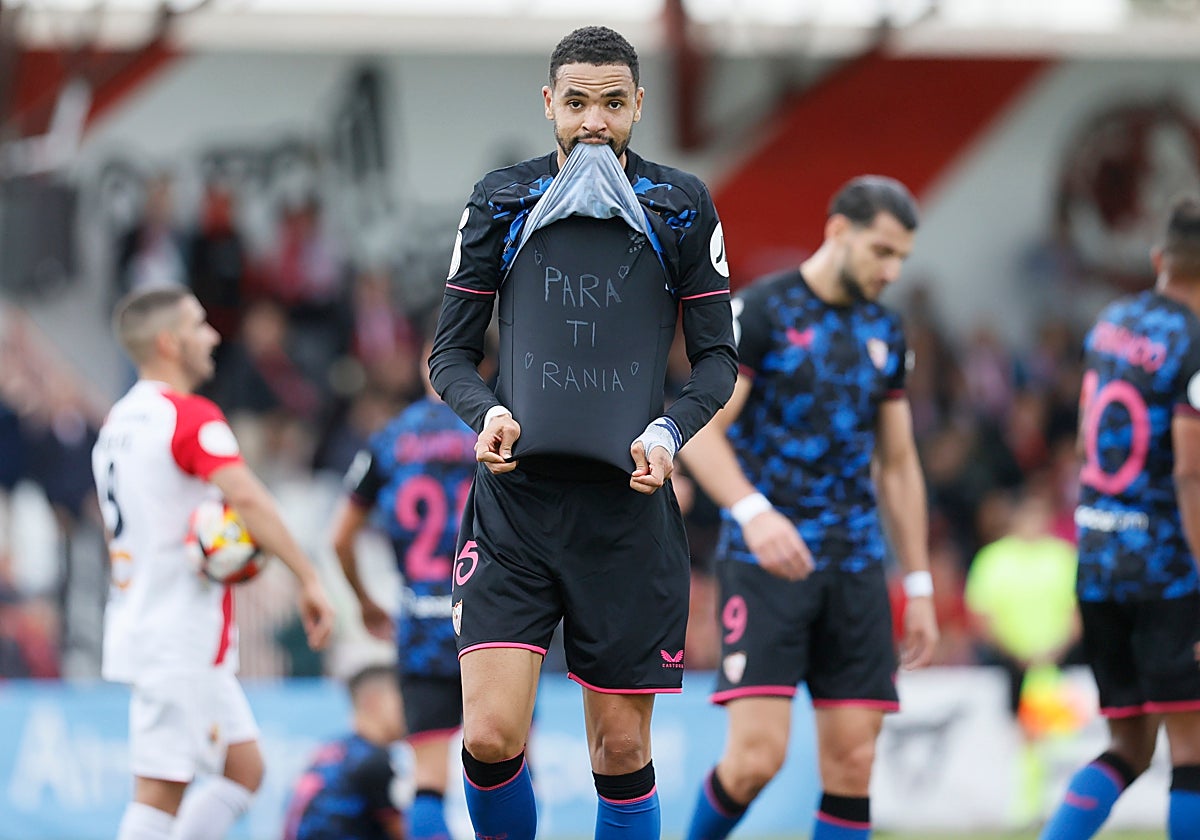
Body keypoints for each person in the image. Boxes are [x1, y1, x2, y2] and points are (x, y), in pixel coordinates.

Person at [427, 25, 737, 840]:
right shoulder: (500, 197)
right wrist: (486, 413)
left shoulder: (681, 205)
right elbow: (449, 354)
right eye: (575, 103)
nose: (592, 121)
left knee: (621, 747)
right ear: (548, 105)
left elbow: (717, 364)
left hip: (627, 513)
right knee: (490, 736)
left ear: (638, 103)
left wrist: (670, 432)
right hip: (515, 509)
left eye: (610, 103)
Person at [680, 175, 940, 840]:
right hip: (768, 565)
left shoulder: (886, 329)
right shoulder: (764, 313)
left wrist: (918, 582)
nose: (891, 270)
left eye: (901, 258)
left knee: (854, 761)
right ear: (837, 231)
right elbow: (700, 430)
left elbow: (900, 463)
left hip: (855, 565)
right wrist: (754, 513)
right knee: (755, 761)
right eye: (882, 251)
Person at [92, 286, 336, 840]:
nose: (213, 335)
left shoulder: (117, 424)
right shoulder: (188, 416)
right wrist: (308, 576)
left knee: (244, 771)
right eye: (199, 325)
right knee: (159, 794)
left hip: (148, 619)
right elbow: (247, 498)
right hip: (176, 635)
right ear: (168, 342)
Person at [1039, 196, 1200, 840]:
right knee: (1192, 753)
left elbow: (1086, 442)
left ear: (1160, 259)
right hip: (1169, 570)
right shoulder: (1194, 340)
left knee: (1128, 746)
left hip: (1100, 560)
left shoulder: (1109, 323)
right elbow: (1191, 471)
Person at [330, 330, 477, 840]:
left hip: (422, 629)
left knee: (428, 782)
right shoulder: (502, 434)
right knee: (513, 773)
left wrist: (366, 602)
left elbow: (339, 539)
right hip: (496, 624)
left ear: (426, 364)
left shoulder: (389, 440)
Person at [281, 664, 408, 840]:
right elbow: (407, 834)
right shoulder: (373, 761)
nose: (412, 709)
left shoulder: (327, 752)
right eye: (405, 699)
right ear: (374, 702)